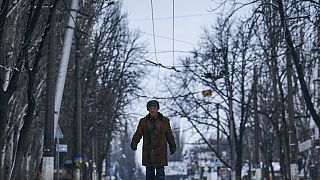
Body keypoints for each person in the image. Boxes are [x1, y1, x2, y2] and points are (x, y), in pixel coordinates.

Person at [131, 100, 176, 180]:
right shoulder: (143, 122)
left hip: (160, 152)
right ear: (148, 109)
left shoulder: (165, 121)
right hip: (148, 152)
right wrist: (134, 143)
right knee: (149, 175)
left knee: (160, 175)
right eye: (150, 108)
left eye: (154, 108)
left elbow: (169, 135)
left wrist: (172, 145)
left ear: (157, 109)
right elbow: (138, 134)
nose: (152, 110)